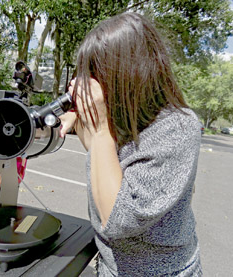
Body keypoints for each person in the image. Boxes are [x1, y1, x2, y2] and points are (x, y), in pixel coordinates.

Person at [60, 12, 202, 276]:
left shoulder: (177, 127)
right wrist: (82, 118)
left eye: (93, 73)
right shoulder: (125, 119)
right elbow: (98, 157)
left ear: (126, 73)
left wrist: (101, 127)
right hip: (111, 265)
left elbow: (117, 219)